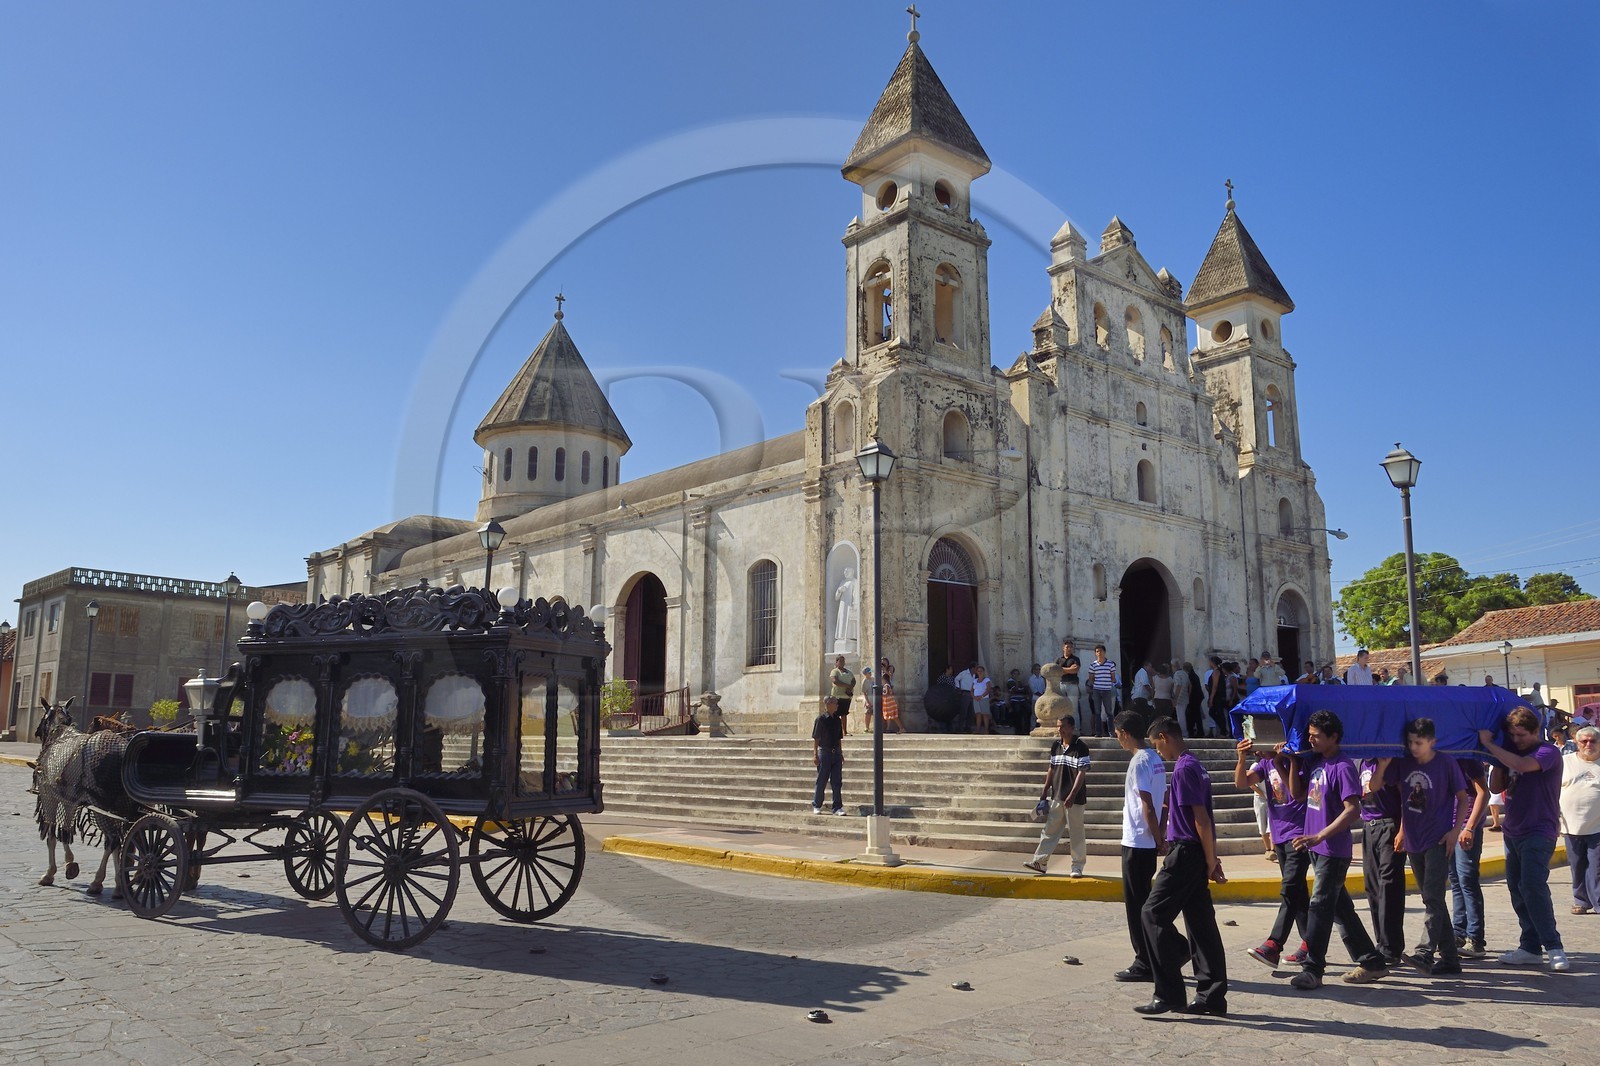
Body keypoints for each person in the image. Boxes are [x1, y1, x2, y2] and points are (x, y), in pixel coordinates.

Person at [1285, 709, 1390, 989]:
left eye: (1317, 736)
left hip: (1333, 850)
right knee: (1340, 909)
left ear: (1334, 737)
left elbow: (1353, 809)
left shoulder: (1342, 767)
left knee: (1319, 907)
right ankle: (1372, 961)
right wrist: (1293, 760)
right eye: (1309, 735)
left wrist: (1320, 835)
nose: (1312, 740)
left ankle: (1313, 969)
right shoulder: (1317, 761)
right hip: (1317, 849)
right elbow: (1296, 794)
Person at [1134, 716, 1228, 1016]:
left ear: (1164, 736)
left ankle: (1169, 993)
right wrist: (1209, 858)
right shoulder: (1195, 765)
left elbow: (1201, 819)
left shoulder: (1185, 768)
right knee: (1200, 923)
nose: (1157, 751)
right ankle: (1211, 995)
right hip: (1194, 852)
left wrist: (1212, 861)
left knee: (1152, 913)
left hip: (1187, 852)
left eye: (1156, 744)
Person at [1378, 718, 1471, 975]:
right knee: (1433, 899)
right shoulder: (1404, 762)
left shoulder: (1446, 763)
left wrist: (1456, 831)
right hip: (1414, 839)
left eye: (1418, 742)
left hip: (1438, 839)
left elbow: (1463, 799)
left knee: (1432, 897)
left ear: (1432, 741)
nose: (1413, 747)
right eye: (1410, 742)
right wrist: (1402, 830)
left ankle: (1424, 952)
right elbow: (1391, 794)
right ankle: (1450, 959)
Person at [1479, 707, 1569, 971]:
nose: (1517, 740)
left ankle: (1554, 947)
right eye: (1513, 735)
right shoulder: (1510, 754)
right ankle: (1530, 946)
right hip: (1513, 831)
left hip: (1539, 830)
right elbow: (1496, 787)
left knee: (1532, 886)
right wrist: (1497, 758)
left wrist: (1489, 744)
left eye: (1521, 735)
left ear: (1535, 731)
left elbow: (1522, 766)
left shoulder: (1547, 752)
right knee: (1518, 890)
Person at [1237, 737, 1309, 970]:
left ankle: (1273, 945)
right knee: (1297, 893)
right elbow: (1241, 782)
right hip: (1278, 835)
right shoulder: (1263, 765)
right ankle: (1311, 945)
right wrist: (1241, 758)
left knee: (1290, 889)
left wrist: (1282, 760)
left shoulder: (1294, 761)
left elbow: (1296, 794)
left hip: (1298, 834)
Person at [1112, 709, 1165, 985]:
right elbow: (1162, 803)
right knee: (1145, 902)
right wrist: (1160, 836)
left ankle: (1144, 960)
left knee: (1137, 906)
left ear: (1124, 733)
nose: (1117, 738)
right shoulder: (1155, 758)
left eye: (1117, 733)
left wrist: (1157, 837)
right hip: (1147, 841)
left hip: (1137, 841)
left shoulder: (1139, 762)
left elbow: (1147, 805)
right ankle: (1157, 954)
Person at [1024, 716, 1090, 877]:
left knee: (1076, 833)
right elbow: (1051, 769)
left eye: (1063, 727)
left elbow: (1082, 773)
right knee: (1050, 830)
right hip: (1057, 795)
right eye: (1058, 726)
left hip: (1075, 799)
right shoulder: (1056, 746)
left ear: (1072, 727)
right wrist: (1045, 790)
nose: (1060, 730)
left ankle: (1077, 866)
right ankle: (1040, 861)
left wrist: (1073, 794)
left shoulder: (1081, 747)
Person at [1358, 751, 1406, 965]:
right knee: (1373, 886)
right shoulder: (1360, 762)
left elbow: (1405, 797)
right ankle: (1381, 942)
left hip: (1390, 825)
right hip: (1369, 826)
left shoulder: (1389, 762)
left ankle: (1391, 947)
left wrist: (1403, 830)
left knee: (1389, 885)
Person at [1447, 753, 1492, 959]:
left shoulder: (1467, 759)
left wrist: (1470, 828)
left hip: (1465, 826)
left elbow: (1484, 793)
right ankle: (1459, 932)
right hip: (1448, 827)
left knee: (1467, 880)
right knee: (1456, 881)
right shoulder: (1441, 758)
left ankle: (1475, 938)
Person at [1560, 726, 1600, 916]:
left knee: (1597, 866)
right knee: (1577, 866)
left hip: (1597, 826)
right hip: (1570, 826)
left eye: (1593, 741)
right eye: (1584, 741)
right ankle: (1581, 901)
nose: (1588, 744)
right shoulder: (1565, 762)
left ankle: (1598, 902)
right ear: (1576, 742)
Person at [811, 696, 846, 816]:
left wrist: (841, 753)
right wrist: (815, 754)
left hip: (835, 752)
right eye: (835, 703)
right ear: (828, 704)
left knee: (837, 781)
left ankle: (837, 807)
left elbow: (839, 738)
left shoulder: (837, 720)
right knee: (822, 780)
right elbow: (816, 738)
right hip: (824, 752)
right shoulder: (820, 719)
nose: (837, 705)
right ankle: (817, 804)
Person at [1087, 645, 1119, 738]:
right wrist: (1096, 684)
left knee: (1109, 712)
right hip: (1097, 690)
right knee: (1097, 711)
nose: (1099, 653)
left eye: (1100, 651)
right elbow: (1091, 678)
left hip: (1107, 690)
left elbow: (1113, 678)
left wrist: (1106, 682)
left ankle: (1111, 732)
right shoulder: (1093, 665)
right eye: (1097, 651)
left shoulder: (1110, 664)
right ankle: (1098, 732)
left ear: (1104, 652)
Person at [1055, 640, 1083, 724]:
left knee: (1074, 708)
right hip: (1061, 684)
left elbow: (1075, 670)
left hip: (1072, 685)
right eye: (1067, 647)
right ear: (1063, 648)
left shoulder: (1075, 659)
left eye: (1071, 647)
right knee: (1061, 707)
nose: (1069, 649)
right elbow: (1056, 671)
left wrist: (1062, 669)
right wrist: (1069, 669)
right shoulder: (1059, 660)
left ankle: (1076, 728)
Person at [829, 655, 855, 735]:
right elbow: (835, 681)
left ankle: (845, 731)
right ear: (836, 662)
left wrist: (850, 687)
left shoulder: (848, 672)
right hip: (837, 696)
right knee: (835, 714)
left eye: (843, 661)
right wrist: (847, 685)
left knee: (844, 714)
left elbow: (853, 680)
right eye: (840, 661)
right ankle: (834, 731)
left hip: (846, 696)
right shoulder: (835, 671)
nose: (842, 663)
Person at [877, 659, 905, 734]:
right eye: (882, 662)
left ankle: (901, 728)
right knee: (888, 713)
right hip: (886, 695)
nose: (883, 663)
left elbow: (890, 674)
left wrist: (884, 669)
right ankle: (888, 728)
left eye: (884, 662)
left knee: (892, 713)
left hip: (889, 693)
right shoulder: (881, 671)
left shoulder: (890, 668)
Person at [971, 665, 993, 734]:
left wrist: (982, 696)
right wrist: (974, 697)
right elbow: (971, 690)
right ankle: (978, 730)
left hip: (984, 699)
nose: (980, 672)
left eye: (981, 671)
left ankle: (986, 730)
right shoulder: (974, 681)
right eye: (978, 671)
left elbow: (988, 689)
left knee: (985, 714)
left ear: (983, 672)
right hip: (976, 699)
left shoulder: (987, 680)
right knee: (978, 714)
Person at [1171, 662, 1191, 733]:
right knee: (1182, 715)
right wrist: (1188, 695)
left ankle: (1183, 732)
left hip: (1179, 698)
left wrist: (1175, 699)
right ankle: (1184, 732)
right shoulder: (1185, 673)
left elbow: (1178, 685)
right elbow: (1190, 685)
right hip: (1185, 698)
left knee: (1180, 716)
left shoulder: (1177, 674)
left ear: (1174, 666)